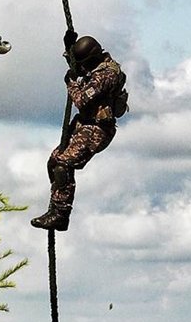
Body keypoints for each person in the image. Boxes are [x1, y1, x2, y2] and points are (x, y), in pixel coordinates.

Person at [30, 32, 126, 232]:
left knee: (63, 165)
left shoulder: (106, 75)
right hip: (83, 124)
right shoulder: (97, 66)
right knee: (54, 161)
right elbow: (79, 68)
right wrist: (69, 51)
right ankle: (56, 205)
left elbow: (81, 99)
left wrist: (71, 83)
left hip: (96, 129)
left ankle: (60, 215)